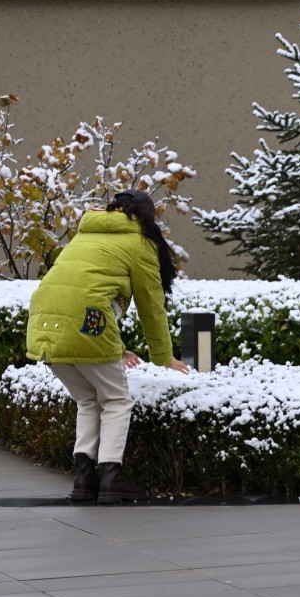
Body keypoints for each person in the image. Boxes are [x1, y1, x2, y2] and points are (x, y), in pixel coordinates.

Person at [27, 189, 190, 504]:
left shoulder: (84, 234)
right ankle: (111, 478)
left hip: (45, 325)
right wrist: (162, 357)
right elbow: (151, 306)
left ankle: (84, 479)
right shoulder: (138, 243)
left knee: (88, 400)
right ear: (145, 217)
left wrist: (117, 349)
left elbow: (86, 291)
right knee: (116, 400)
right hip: (86, 324)